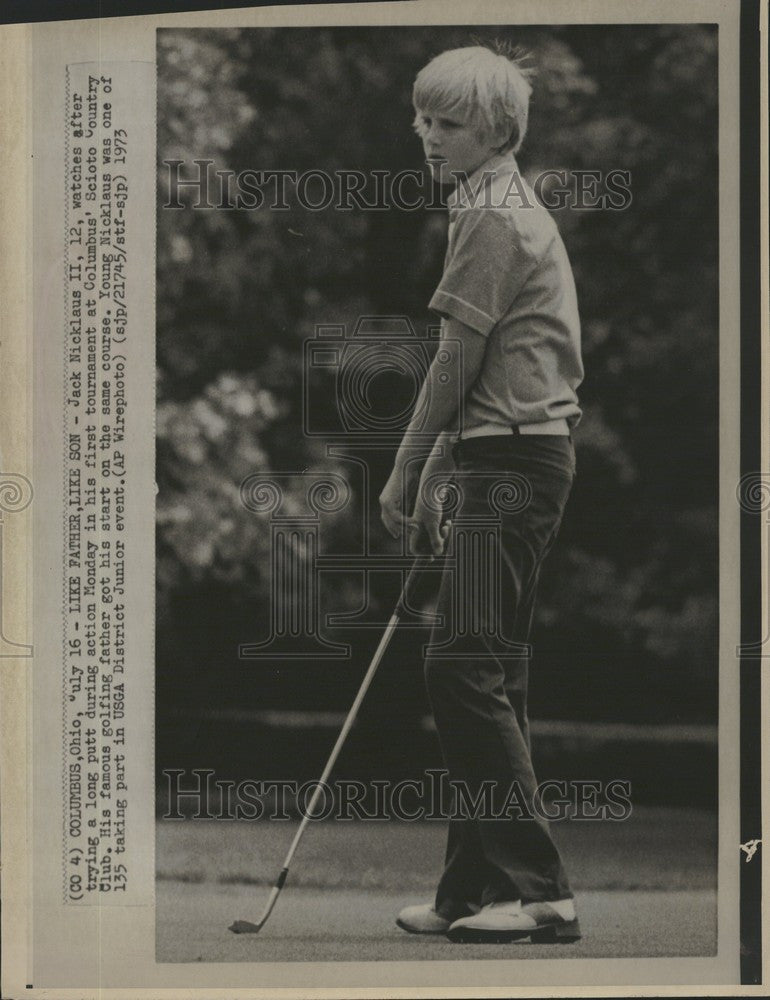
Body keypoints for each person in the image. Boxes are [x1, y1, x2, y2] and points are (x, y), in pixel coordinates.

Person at [378, 44, 584, 944]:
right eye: (423, 117)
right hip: (507, 458)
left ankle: (543, 893)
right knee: (491, 670)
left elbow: (457, 359)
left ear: (497, 131)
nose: (427, 134)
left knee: (459, 666)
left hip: (511, 461)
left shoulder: (494, 214)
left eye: (449, 122)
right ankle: (471, 891)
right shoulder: (488, 204)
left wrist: (406, 465)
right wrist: (439, 470)